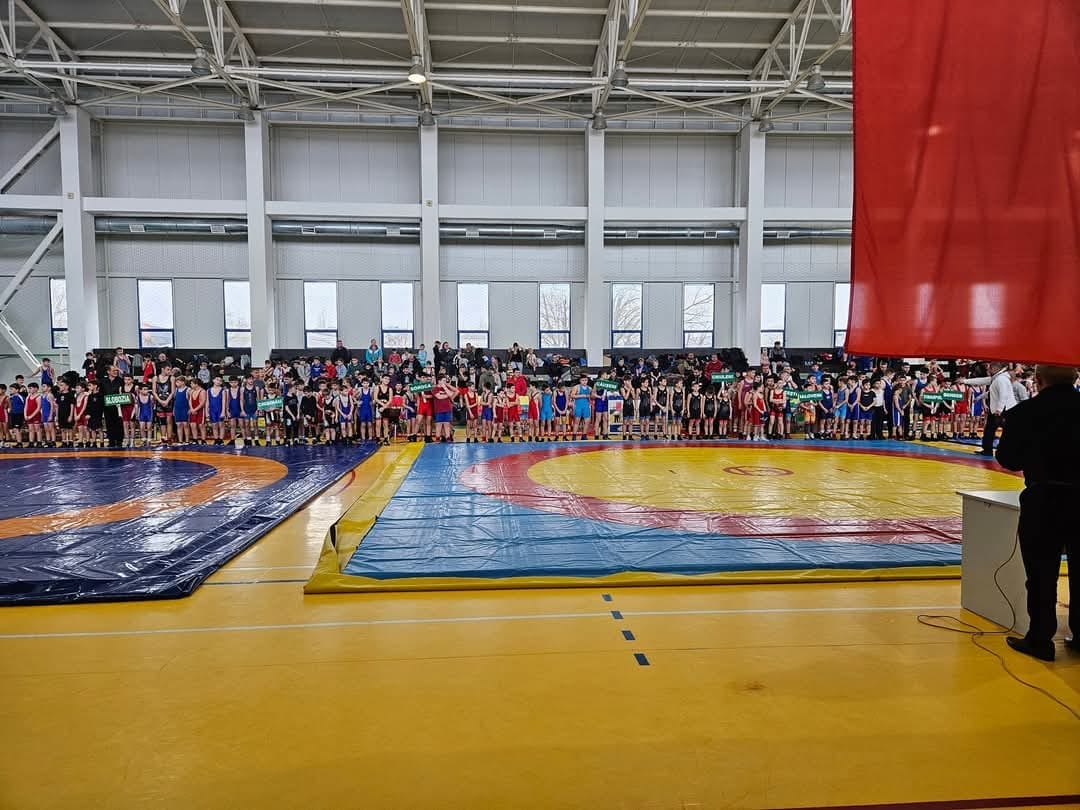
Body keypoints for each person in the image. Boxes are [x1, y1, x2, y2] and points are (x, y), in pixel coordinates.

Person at [994, 365, 1080, 662]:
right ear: (1076, 378)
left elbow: (1008, 459)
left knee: (1041, 573)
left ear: (1039, 380)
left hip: (1044, 499)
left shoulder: (1024, 412)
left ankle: (1040, 639)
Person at [959, 360, 1017, 456]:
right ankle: (988, 450)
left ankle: (1004, 451)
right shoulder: (996, 378)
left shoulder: (1001, 379)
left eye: (989, 368)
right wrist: (966, 382)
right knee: (990, 430)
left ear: (995, 368)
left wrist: (999, 409)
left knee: (1004, 431)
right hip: (998, 409)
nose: (988, 370)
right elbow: (985, 384)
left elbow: (1004, 395)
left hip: (1004, 410)